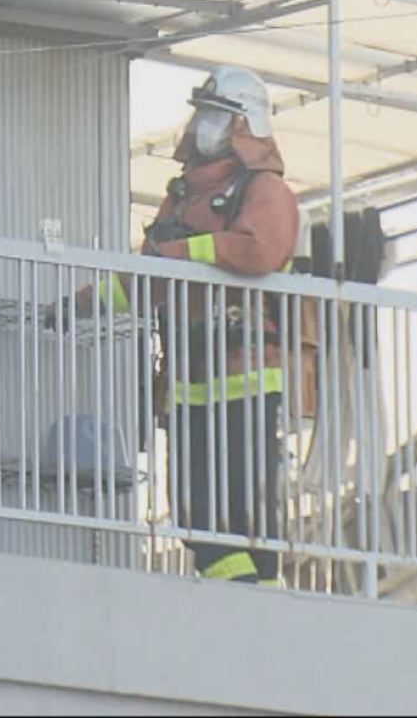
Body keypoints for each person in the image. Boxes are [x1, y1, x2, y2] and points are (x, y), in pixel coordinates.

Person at [127, 65, 304, 586]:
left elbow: (260, 249)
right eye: (202, 113)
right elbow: (149, 274)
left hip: (245, 375)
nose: (203, 124)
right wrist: (80, 305)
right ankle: (239, 592)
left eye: (217, 115)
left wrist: (188, 252)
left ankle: (258, 600)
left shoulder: (266, 191)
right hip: (187, 379)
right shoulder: (183, 194)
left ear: (245, 124)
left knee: (245, 510)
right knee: (189, 505)